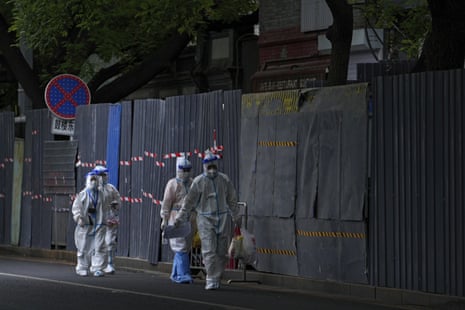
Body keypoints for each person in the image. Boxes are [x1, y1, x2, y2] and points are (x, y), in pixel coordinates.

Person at [175, 150, 241, 290]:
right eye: (208, 166)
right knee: (209, 249)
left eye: (213, 166)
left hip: (222, 218)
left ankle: (217, 276)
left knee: (222, 251)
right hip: (205, 219)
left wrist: (236, 215)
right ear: (204, 166)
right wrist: (180, 217)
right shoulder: (199, 182)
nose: (211, 169)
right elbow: (189, 202)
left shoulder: (224, 180)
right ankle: (211, 278)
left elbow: (232, 199)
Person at [160, 156, 195, 283]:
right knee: (180, 246)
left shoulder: (192, 183)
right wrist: (164, 218)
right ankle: (183, 274)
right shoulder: (172, 184)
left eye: (188, 170)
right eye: (183, 170)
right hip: (175, 217)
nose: (185, 173)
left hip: (190, 218)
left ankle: (175, 273)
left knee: (185, 246)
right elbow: (166, 203)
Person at [72, 171, 108, 277]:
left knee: (99, 246)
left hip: (99, 224)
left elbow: (106, 207)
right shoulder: (83, 194)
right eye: (91, 180)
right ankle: (82, 267)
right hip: (86, 225)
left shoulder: (102, 194)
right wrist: (78, 218)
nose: (93, 182)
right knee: (83, 247)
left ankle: (97, 267)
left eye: (95, 180)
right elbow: (76, 208)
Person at [92, 165, 121, 274]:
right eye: (101, 175)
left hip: (110, 218)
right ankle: (97, 267)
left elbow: (118, 200)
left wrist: (115, 205)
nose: (104, 177)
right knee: (98, 243)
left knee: (110, 242)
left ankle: (109, 263)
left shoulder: (111, 188)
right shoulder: (92, 189)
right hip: (98, 220)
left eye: (105, 174)